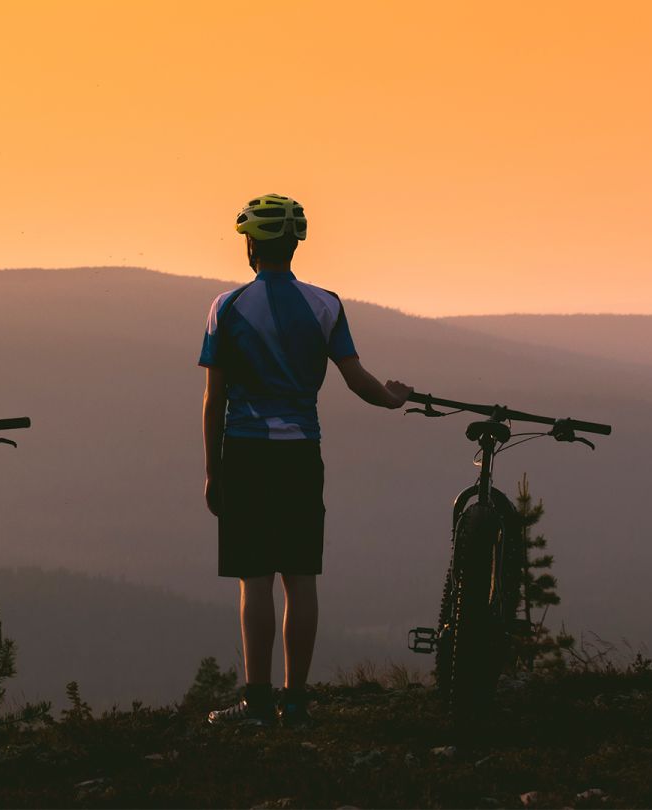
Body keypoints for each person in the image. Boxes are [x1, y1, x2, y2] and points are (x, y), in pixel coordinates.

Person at [199, 194, 412, 728]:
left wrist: (213, 470)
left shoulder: (227, 307)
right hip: (301, 452)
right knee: (300, 576)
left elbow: (214, 397)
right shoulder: (325, 304)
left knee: (255, 580)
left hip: (245, 451)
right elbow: (356, 379)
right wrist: (391, 398)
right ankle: (297, 703)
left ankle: (257, 702)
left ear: (250, 244)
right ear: (294, 245)